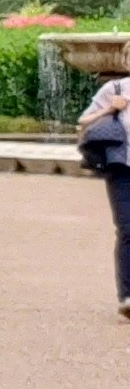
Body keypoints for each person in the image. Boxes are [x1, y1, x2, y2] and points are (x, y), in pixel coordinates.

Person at [86, 69, 130, 314]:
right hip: (122, 168)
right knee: (127, 228)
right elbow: (84, 121)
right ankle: (127, 296)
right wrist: (110, 109)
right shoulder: (114, 88)